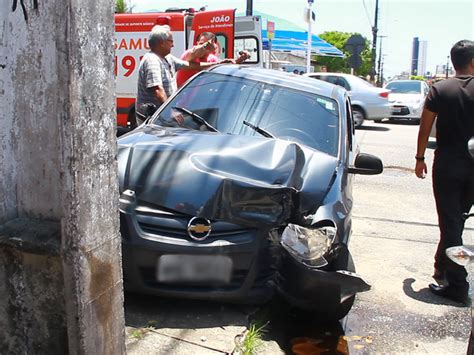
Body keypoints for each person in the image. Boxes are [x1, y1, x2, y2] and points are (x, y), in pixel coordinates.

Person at [415, 39, 474, 304]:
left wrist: (419, 157)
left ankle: (458, 285)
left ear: (454, 62)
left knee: (451, 224)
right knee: (455, 221)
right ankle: (442, 266)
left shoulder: (439, 89)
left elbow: (425, 127)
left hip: (448, 165)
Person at [135, 25, 231, 126]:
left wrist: (217, 64)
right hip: (153, 119)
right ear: (161, 43)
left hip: (161, 117)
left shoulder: (168, 58)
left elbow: (190, 65)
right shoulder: (152, 60)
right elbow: (157, 90)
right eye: (170, 41)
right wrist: (169, 110)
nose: (173, 45)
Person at [177, 32, 250, 88]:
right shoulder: (188, 55)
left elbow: (225, 66)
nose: (203, 48)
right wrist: (205, 45)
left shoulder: (212, 59)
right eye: (201, 44)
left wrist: (241, 59)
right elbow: (194, 54)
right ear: (197, 43)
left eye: (208, 46)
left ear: (214, 47)